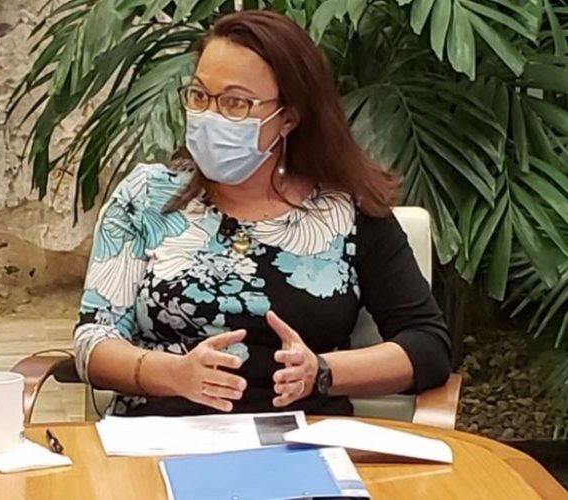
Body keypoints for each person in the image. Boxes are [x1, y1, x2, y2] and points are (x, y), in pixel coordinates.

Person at [73, 10, 451, 417]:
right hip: (158, 435)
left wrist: (322, 371)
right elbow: (94, 339)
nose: (210, 116)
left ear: (288, 117)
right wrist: (171, 374)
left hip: (300, 437)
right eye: (199, 96)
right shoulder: (145, 196)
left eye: (235, 103)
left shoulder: (347, 212)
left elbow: (427, 345)